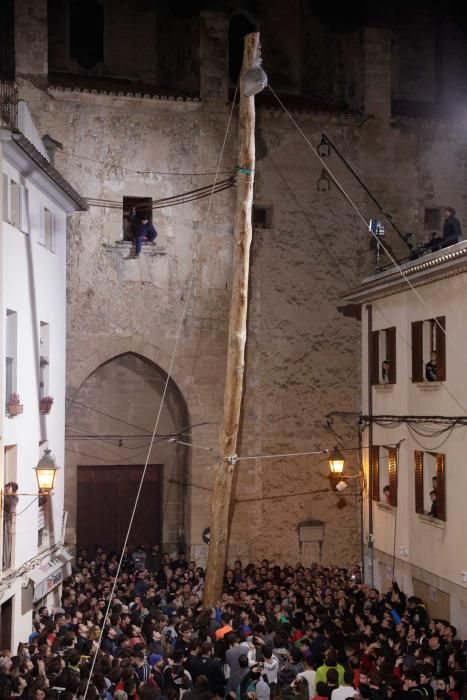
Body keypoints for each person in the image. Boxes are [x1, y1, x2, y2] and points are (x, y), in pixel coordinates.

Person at [2, 481, 18, 569]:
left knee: (6, 541)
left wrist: (7, 493)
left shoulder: (15, 498)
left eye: (9, 487)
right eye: (7, 487)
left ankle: (5, 564)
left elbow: (9, 504)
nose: (6, 488)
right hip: (3, 520)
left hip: (6, 521)